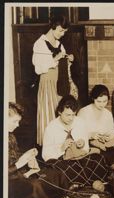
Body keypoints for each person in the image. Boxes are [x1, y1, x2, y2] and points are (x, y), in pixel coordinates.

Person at [8, 102, 69, 198]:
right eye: (14, 121)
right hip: (8, 182)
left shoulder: (10, 136)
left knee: (55, 174)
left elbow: (15, 156)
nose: (17, 125)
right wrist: (20, 164)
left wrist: (28, 156)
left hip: (19, 174)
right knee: (35, 184)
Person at [42, 95, 109, 186]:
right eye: (68, 115)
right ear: (59, 112)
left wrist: (82, 144)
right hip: (63, 161)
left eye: (73, 114)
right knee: (55, 167)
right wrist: (61, 148)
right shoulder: (51, 128)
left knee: (98, 159)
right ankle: (84, 182)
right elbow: (46, 155)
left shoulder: (80, 122)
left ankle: (77, 183)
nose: (71, 118)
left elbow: (86, 148)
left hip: (80, 158)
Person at [32, 14, 74, 146]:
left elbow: (64, 63)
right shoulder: (39, 44)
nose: (62, 34)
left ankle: (62, 145)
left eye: (64, 32)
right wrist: (55, 59)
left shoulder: (59, 44)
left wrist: (69, 59)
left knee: (60, 111)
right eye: (61, 30)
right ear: (53, 27)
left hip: (60, 83)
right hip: (47, 83)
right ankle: (48, 147)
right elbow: (38, 69)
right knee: (49, 113)